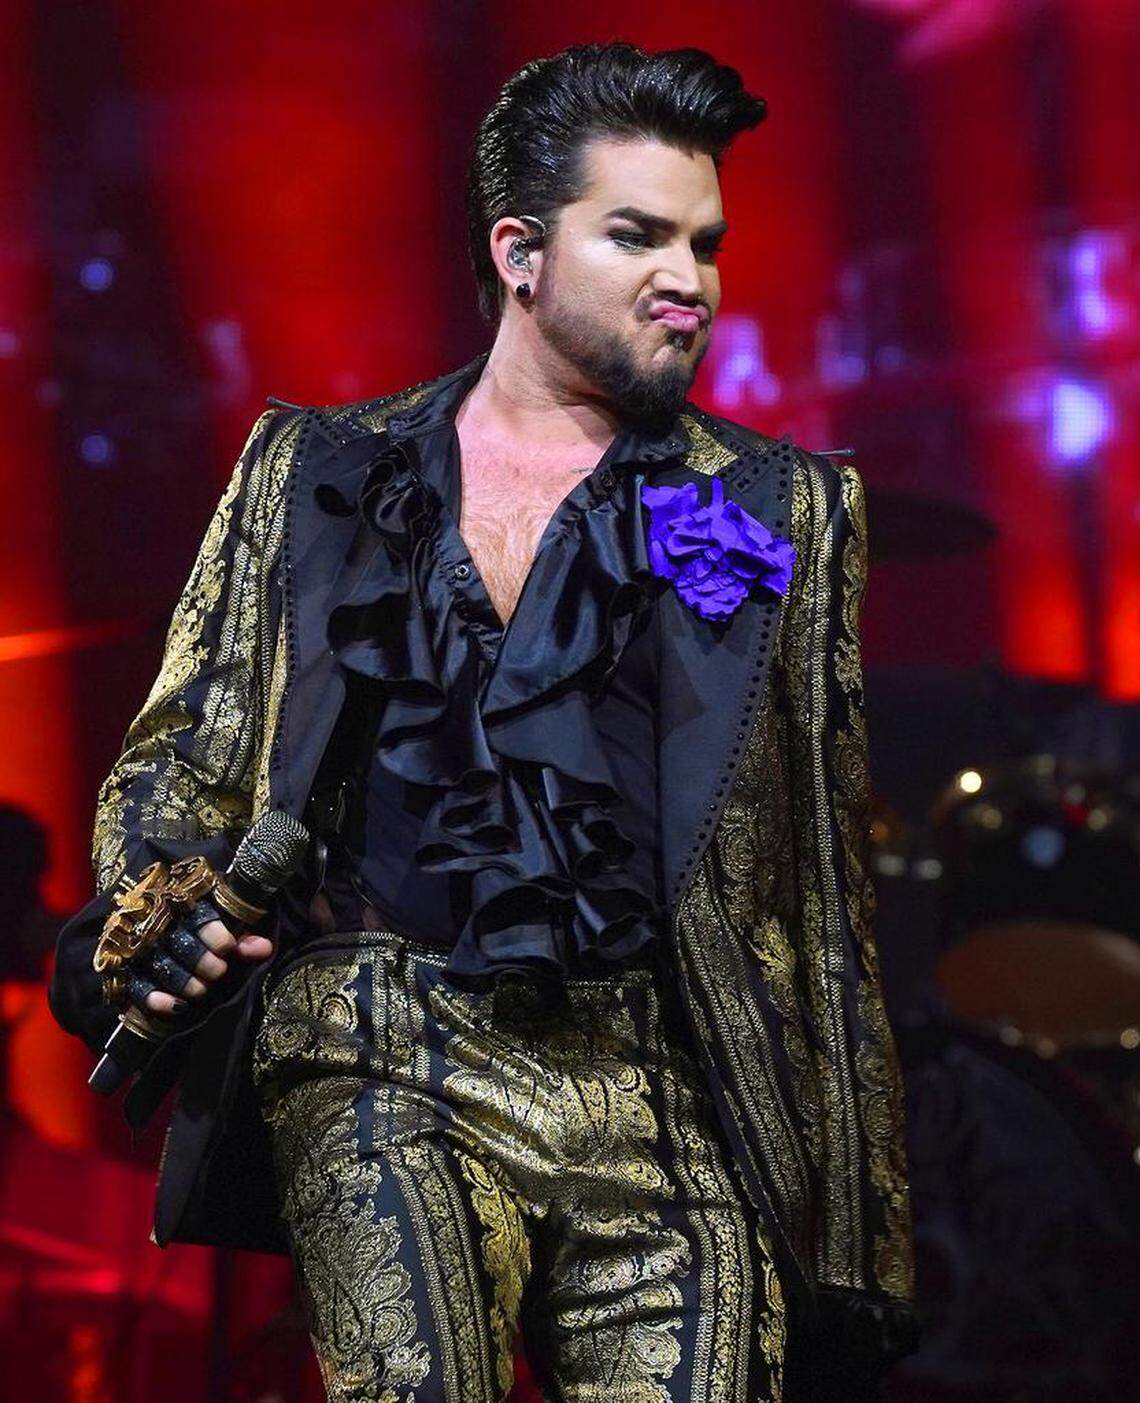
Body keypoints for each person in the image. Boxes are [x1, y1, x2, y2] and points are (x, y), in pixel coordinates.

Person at [49, 40, 920, 1402]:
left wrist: (858, 1236)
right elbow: (187, 751)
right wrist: (159, 911)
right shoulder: (318, 470)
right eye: (636, 236)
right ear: (520, 251)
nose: (687, 280)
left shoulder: (782, 509)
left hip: (665, 1084)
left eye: (705, 242)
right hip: (385, 1034)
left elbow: (817, 893)